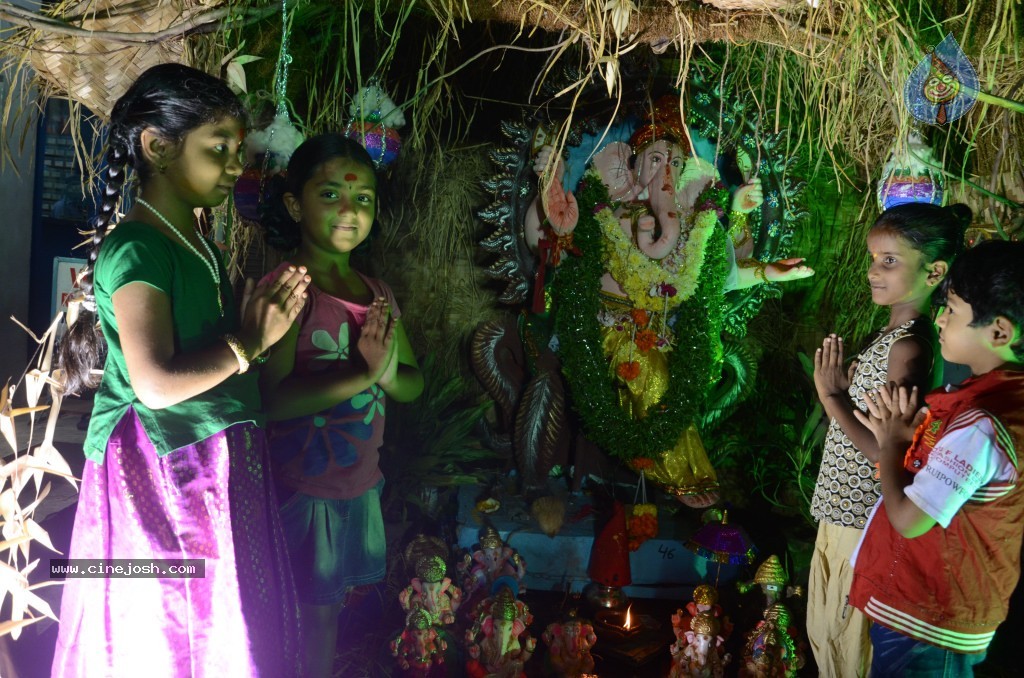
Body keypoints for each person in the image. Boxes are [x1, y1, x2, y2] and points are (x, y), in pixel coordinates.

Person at [52, 63, 309, 676]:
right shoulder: (139, 247)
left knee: (222, 626)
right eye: (218, 148)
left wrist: (266, 332)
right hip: (162, 471)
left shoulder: (199, 244)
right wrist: (250, 340)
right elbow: (154, 384)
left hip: (212, 462)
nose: (236, 165)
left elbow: (218, 358)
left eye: (238, 151)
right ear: (158, 146)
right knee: (168, 630)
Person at [259, 133, 424, 677]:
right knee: (296, 616)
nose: (350, 210)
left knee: (326, 615)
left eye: (363, 198)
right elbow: (272, 400)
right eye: (330, 194)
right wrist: (363, 374)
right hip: (303, 487)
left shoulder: (377, 293)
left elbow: (412, 383)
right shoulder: (290, 290)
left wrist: (384, 373)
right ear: (294, 204)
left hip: (357, 484)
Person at [848, 238, 1024, 676]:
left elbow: (910, 520)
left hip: (929, 622)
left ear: (999, 332)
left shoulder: (981, 425)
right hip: (933, 611)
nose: (941, 319)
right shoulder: (992, 404)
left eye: (953, 310)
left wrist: (891, 442)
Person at [806, 202, 968, 677]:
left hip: (861, 521)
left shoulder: (910, 346)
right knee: (827, 638)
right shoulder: (890, 337)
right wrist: (846, 397)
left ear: (934, 272)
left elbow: (886, 450)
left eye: (890, 260)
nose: (874, 271)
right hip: (840, 512)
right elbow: (869, 427)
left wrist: (833, 397)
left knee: (846, 647)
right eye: (874, 259)